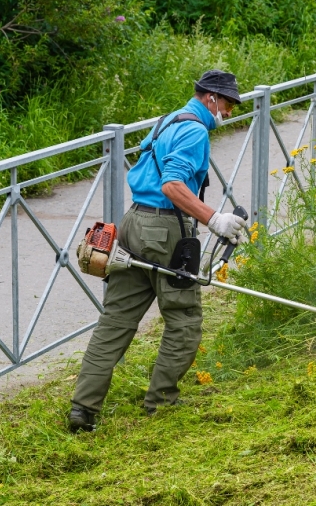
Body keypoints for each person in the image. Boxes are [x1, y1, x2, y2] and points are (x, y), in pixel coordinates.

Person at [68, 70, 247, 432]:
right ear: (211, 97)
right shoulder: (195, 130)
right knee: (184, 320)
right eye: (228, 103)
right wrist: (215, 220)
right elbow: (172, 184)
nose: (229, 112)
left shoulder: (168, 120)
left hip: (133, 221)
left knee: (116, 319)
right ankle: (161, 402)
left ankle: (83, 409)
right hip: (166, 230)